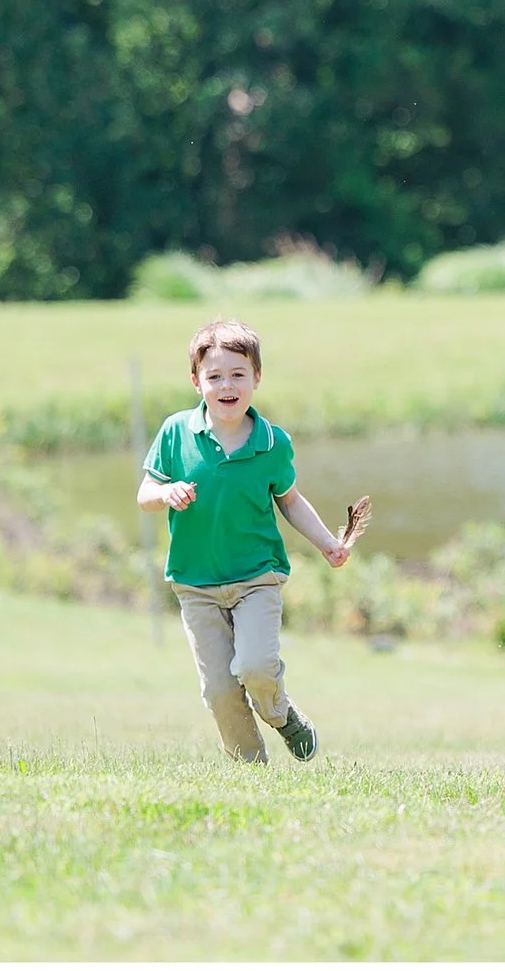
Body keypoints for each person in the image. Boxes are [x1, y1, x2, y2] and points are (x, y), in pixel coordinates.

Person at [138, 318, 352, 764]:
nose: (226, 385)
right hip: (196, 584)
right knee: (219, 689)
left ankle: (281, 713)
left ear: (257, 377)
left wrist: (327, 543)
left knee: (254, 667)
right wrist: (165, 492)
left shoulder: (273, 443)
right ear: (196, 382)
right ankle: (251, 771)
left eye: (238, 374)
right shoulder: (176, 432)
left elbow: (290, 501)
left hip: (258, 577)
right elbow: (145, 496)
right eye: (214, 376)